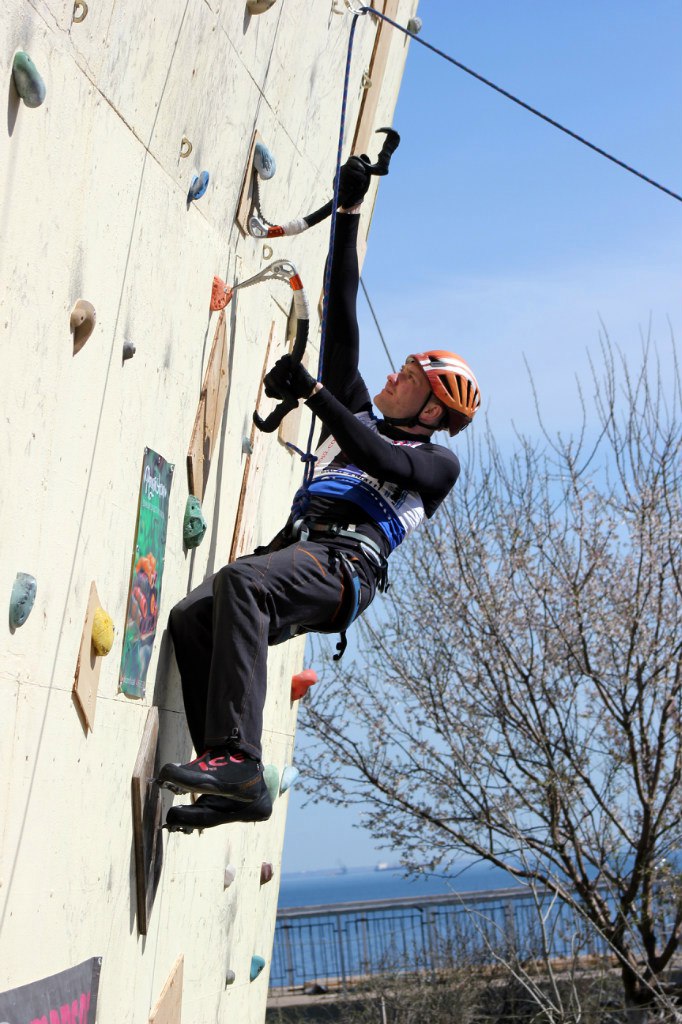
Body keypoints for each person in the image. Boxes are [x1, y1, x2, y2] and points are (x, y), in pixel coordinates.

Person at [159, 156, 481, 831]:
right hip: (300, 555)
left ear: (430, 411)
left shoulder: (436, 462)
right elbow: (342, 306)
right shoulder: (358, 410)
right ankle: (232, 782)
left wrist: (313, 394)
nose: (392, 375)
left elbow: (378, 457)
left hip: (344, 570)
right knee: (198, 618)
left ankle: (238, 756)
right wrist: (348, 212)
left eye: (409, 378)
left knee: (241, 584)